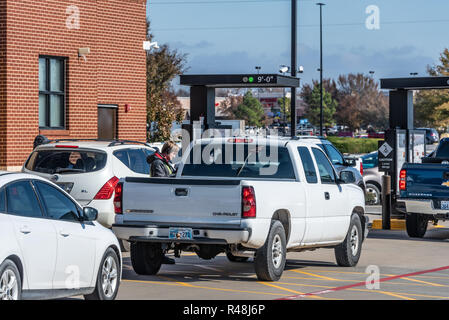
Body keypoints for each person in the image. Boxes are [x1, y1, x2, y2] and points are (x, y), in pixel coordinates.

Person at [147, 141, 180, 265]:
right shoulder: (157, 163)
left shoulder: (164, 163)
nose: (174, 156)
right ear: (167, 153)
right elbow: (159, 181)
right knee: (161, 229)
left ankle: (161, 255)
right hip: (159, 200)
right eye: (174, 153)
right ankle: (159, 256)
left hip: (165, 199)